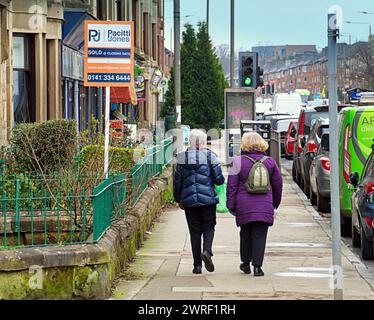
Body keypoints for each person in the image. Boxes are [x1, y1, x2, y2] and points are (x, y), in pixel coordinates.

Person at [226, 132, 282, 276]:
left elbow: (231, 186)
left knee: (245, 233)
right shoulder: (270, 162)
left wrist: (231, 205)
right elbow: (277, 184)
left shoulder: (237, 161)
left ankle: (245, 263)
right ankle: (257, 267)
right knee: (260, 235)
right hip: (264, 204)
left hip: (244, 205)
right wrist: (274, 203)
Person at [174, 129, 225, 274]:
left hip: (189, 202)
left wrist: (179, 199)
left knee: (194, 231)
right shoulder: (210, 156)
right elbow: (219, 180)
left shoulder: (182, 158)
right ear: (203, 142)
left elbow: (178, 182)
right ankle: (207, 252)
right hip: (208, 200)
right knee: (209, 227)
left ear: (189, 142)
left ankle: (197, 266)